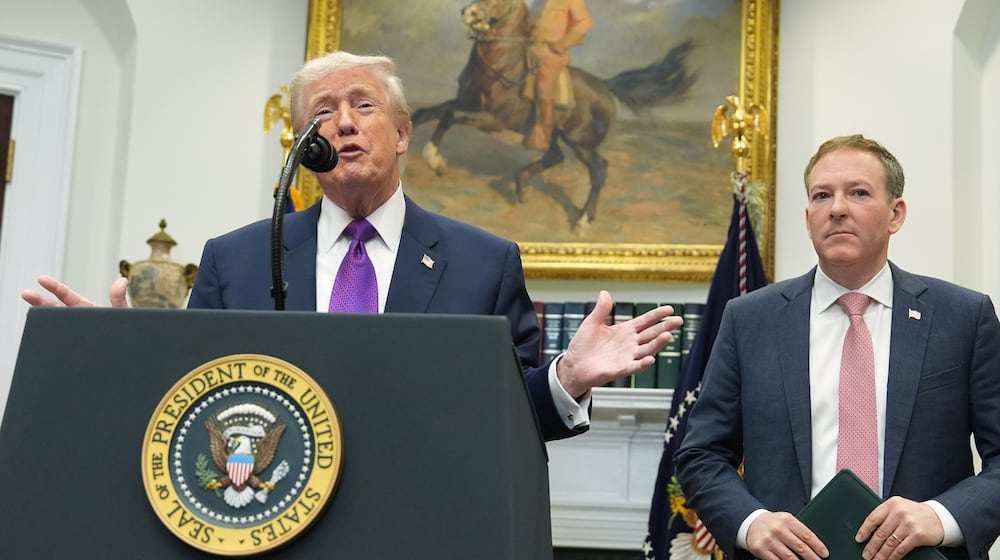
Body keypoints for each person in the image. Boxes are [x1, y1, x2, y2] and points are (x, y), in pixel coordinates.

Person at [22, 50, 681, 443]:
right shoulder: (238, 259)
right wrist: (113, 357)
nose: (341, 122)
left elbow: (512, 424)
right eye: (322, 111)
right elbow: (200, 402)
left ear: (400, 134)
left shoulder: (485, 263)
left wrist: (568, 379)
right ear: (303, 145)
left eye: (362, 106)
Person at [674, 134, 1000, 560]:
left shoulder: (963, 317)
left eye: (859, 193)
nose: (837, 208)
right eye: (822, 195)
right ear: (808, 215)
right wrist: (751, 523)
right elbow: (701, 454)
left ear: (895, 214)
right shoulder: (749, 319)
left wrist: (941, 516)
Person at [524, 0, 592, 150]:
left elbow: (584, 23)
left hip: (551, 51)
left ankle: (543, 134)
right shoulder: (538, 2)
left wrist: (562, 44)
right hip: (531, 48)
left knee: (544, 83)